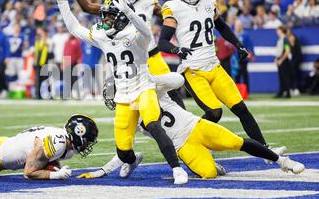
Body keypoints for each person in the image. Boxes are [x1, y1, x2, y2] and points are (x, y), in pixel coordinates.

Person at [52, 0, 188, 184]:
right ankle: (132, 161)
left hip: (144, 88)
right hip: (123, 95)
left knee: (153, 124)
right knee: (124, 151)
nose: (104, 21)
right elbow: (75, 29)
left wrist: (130, 12)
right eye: (104, 16)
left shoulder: (135, 35)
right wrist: (63, 3)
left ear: (122, 18)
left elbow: (144, 30)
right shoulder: (102, 35)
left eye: (109, 17)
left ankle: (177, 169)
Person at [78, 77, 305, 179]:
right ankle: (206, 160)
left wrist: (152, 79)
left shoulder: (152, 90)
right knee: (209, 174)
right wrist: (104, 171)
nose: (116, 101)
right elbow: (123, 151)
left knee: (237, 142)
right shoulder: (129, 118)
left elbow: (177, 80)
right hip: (182, 145)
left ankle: (283, 161)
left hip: (195, 125)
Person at [157, 0, 271, 150]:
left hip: (215, 66)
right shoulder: (173, 8)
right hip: (193, 70)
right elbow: (162, 42)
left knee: (241, 108)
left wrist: (239, 45)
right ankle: (187, 142)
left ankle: (265, 148)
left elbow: (222, 27)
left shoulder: (209, 0)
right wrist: (177, 50)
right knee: (214, 112)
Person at [64, 0, 185, 109]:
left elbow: (168, 15)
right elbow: (88, 7)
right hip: (128, 59)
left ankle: (182, 118)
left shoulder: (148, 0)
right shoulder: (112, 2)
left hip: (151, 54)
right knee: (132, 98)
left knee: (171, 91)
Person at [0, 114, 98, 180]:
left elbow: (45, 160)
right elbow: (28, 173)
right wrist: (55, 175)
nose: (87, 144)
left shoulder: (63, 142)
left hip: (3, 147)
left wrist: (54, 168)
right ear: (78, 134)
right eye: (87, 140)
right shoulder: (58, 143)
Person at [274, 25, 292, 98]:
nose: (276, 32)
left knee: (285, 77)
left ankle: (288, 93)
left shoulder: (285, 39)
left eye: (278, 30)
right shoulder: (280, 39)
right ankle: (281, 92)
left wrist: (281, 59)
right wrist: (277, 59)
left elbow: (287, 51)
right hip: (280, 60)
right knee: (281, 77)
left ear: (281, 30)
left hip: (284, 61)